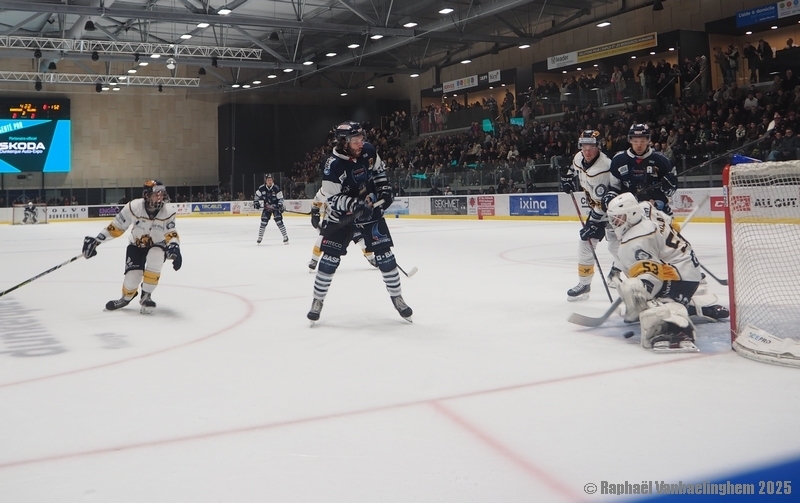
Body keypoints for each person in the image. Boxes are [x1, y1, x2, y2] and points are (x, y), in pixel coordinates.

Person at [307, 121, 412, 323]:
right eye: (356, 140)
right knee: (329, 260)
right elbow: (332, 199)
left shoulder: (369, 150)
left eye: (361, 138)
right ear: (344, 142)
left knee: (385, 256)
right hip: (341, 216)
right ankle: (317, 301)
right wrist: (354, 204)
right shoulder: (332, 165)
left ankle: (398, 298)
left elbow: (379, 172)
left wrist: (384, 190)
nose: (361, 143)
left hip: (370, 210)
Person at [605, 193, 728, 353]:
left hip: (679, 275)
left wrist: (638, 299)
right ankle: (697, 308)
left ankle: (679, 331)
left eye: (619, 218)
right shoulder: (645, 208)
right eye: (613, 218)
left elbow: (652, 278)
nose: (615, 222)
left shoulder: (636, 239)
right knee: (641, 292)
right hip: (686, 267)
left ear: (631, 214)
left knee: (637, 290)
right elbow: (669, 222)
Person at [81, 180, 182, 314]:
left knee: (156, 256)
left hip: (157, 245)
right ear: (146, 195)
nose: (160, 197)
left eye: (161, 194)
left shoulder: (168, 211)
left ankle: (146, 295)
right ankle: (126, 297)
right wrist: (97, 240)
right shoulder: (134, 207)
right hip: (136, 245)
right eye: (156, 194)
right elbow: (116, 227)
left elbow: (171, 232)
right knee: (133, 278)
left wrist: (175, 247)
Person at [560, 130, 622, 301]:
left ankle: (624, 273)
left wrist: (593, 222)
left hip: (614, 211)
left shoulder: (604, 168)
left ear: (598, 147)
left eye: (591, 147)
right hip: (598, 208)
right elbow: (574, 168)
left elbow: (603, 202)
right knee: (586, 244)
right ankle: (585, 284)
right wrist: (568, 177)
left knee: (616, 247)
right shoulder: (579, 157)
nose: (587, 151)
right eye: (584, 146)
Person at [307, 185, 377, 272]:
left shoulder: (352, 186)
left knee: (361, 240)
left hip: (351, 220)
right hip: (331, 220)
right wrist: (315, 212)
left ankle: (371, 258)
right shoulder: (327, 188)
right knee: (321, 240)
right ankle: (314, 260)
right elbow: (317, 200)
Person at [253, 173, 288, 245]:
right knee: (263, 222)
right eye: (268, 180)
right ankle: (260, 237)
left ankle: (285, 236)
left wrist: (280, 205)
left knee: (279, 222)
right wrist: (256, 202)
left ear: (273, 180)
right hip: (267, 207)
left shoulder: (276, 188)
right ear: (265, 181)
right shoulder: (261, 188)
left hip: (276, 208)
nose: (269, 181)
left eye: (271, 180)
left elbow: (281, 199)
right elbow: (256, 196)